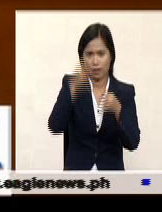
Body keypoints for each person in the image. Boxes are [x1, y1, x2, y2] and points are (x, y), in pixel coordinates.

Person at [48, 23, 140, 170]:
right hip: (77, 176)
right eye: (89, 54)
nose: (95, 61)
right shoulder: (71, 85)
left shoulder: (124, 92)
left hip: (111, 177)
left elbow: (133, 143)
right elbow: (54, 126)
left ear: (111, 56)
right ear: (82, 58)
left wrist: (118, 111)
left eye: (101, 54)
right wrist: (71, 93)